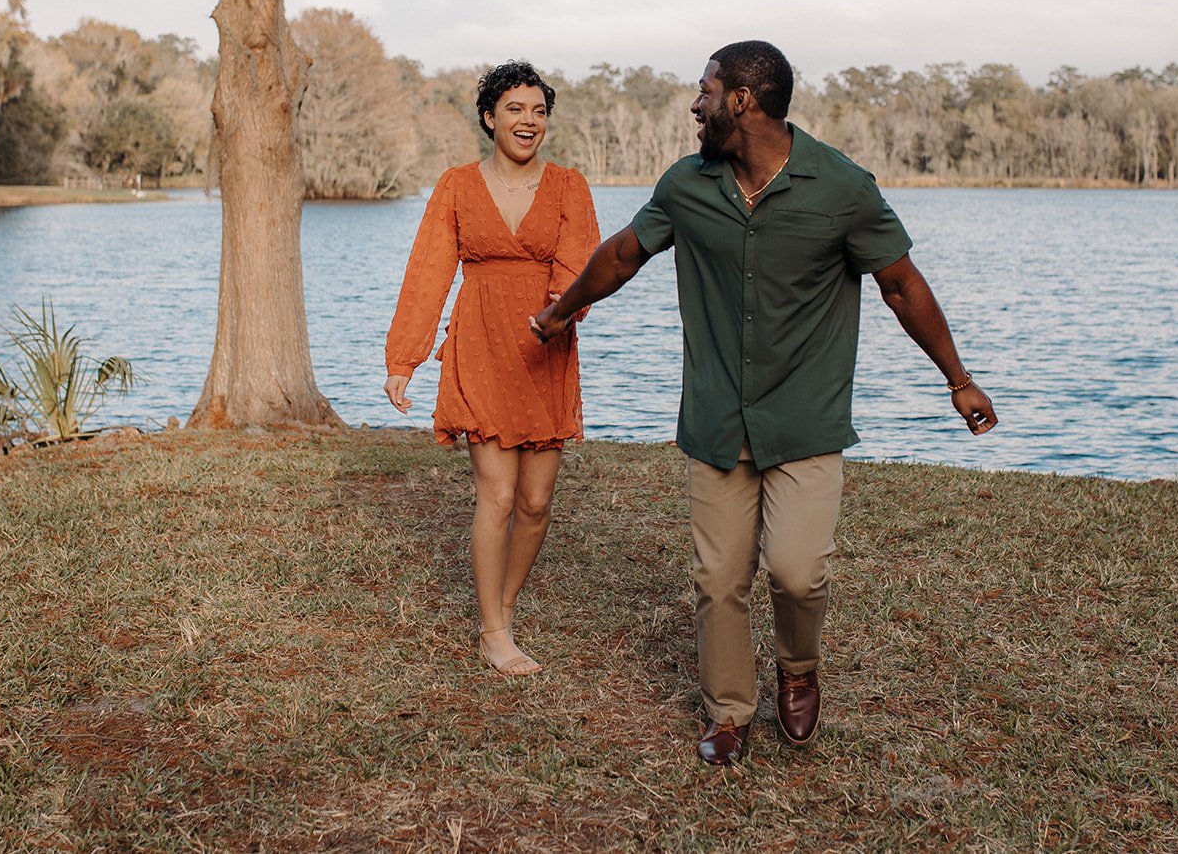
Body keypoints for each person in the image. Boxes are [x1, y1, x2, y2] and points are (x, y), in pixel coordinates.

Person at [532, 40, 995, 763]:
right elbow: (625, 252)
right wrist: (563, 311)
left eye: (706, 90)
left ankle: (800, 665)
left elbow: (901, 284)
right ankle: (728, 712)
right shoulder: (687, 185)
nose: (696, 103)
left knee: (797, 569)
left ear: (743, 100)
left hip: (804, 416)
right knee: (718, 578)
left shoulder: (841, 186)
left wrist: (957, 377)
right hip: (717, 413)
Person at [385, 60, 600, 676]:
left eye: (538, 111)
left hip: (544, 345)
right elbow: (428, 271)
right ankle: (494, 630)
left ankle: (504, 604)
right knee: (498, 494)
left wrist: (555, 316)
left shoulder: (569, 187)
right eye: (515, 109)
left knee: (536, 500)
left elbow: (581, 263)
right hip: (478, 342)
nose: (528, 121)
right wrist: (406, 358)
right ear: (490, 117)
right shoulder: (456, 185)